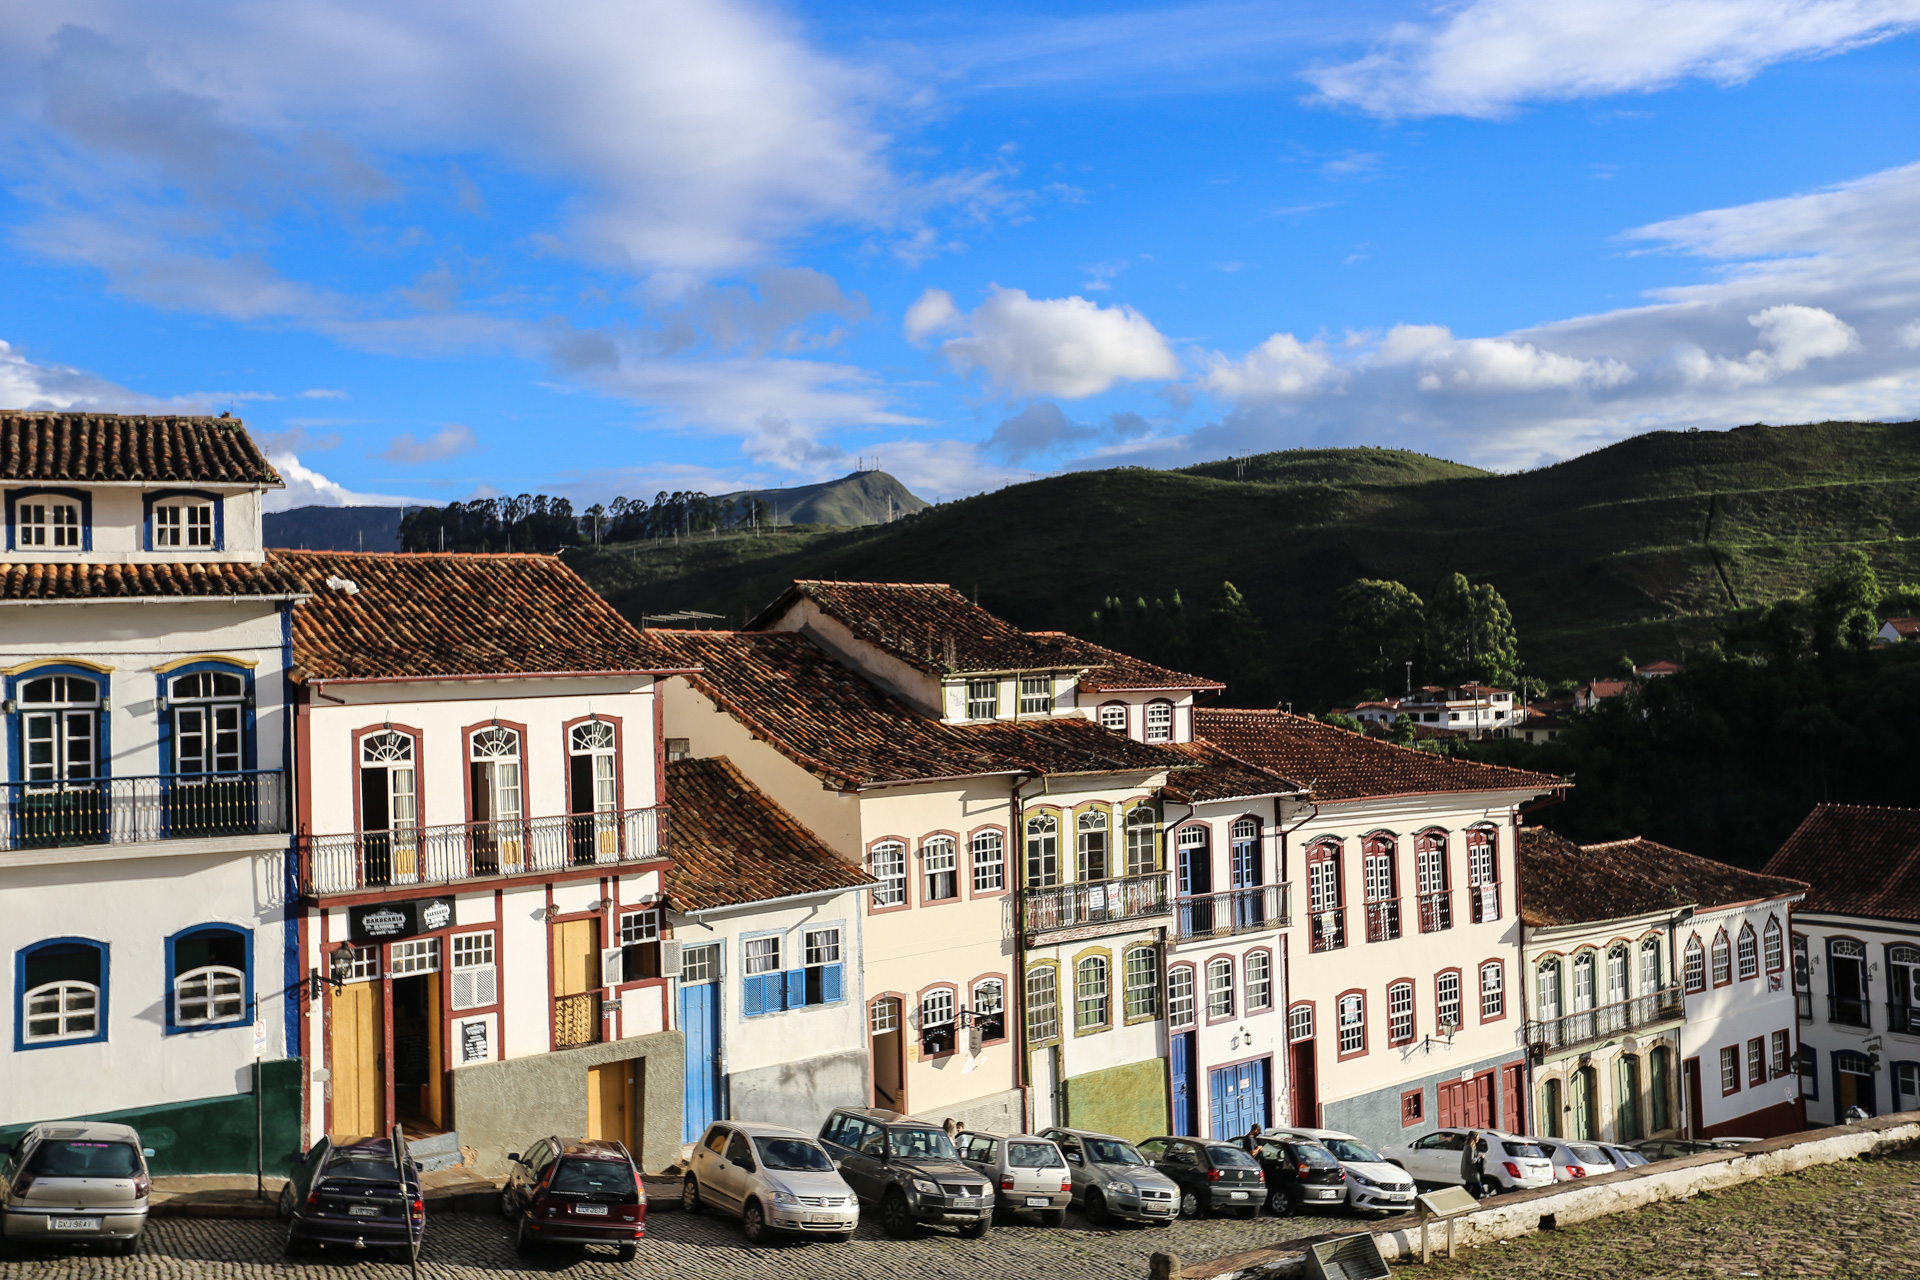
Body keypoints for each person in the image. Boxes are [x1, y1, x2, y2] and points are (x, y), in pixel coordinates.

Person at [1461, 1129, 1485, 1199]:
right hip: (1472, 1173)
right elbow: (1471, 1160)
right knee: (1479, 1189)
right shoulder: (1470, 1147)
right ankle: (1475, 1201)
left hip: (1470, 1172)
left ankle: (1465, 1200)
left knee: (1468, 1188)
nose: (1478, 1139)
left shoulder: (1467, 1146)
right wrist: (1479, 1156)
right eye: (1477, 1137)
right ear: (1474, 1138)